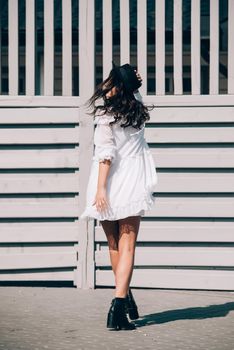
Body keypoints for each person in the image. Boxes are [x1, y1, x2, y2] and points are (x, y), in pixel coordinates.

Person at [80, 61, 158, 330]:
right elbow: (135, 91)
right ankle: (120, 302)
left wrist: (101, 189)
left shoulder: (105, 115)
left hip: (108, 181)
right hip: (131, 181)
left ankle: (121, 298)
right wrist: (133, 79)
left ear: (117, 86)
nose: (107, 85)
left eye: (112, 81)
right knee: (127, 245)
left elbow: (105, 155)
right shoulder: (137, 110)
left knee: (115, 245)